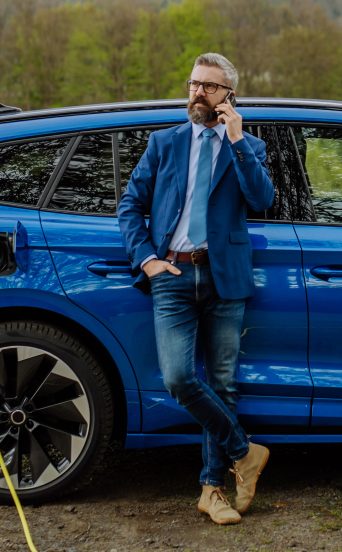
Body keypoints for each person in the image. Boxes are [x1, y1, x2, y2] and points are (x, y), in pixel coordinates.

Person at [118, 52, 275, 525]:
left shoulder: (247, 145)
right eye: (193, 84)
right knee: (179, 378)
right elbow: (130, 205)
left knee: (223, 384)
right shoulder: (163, 143)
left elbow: (262, 200)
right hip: (174, 274)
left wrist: (237, 140)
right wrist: (147, 260)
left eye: (209, 86)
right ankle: (245, 453)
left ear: (229, 96)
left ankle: (212, 490)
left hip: (226, 275)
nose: (198, 93)